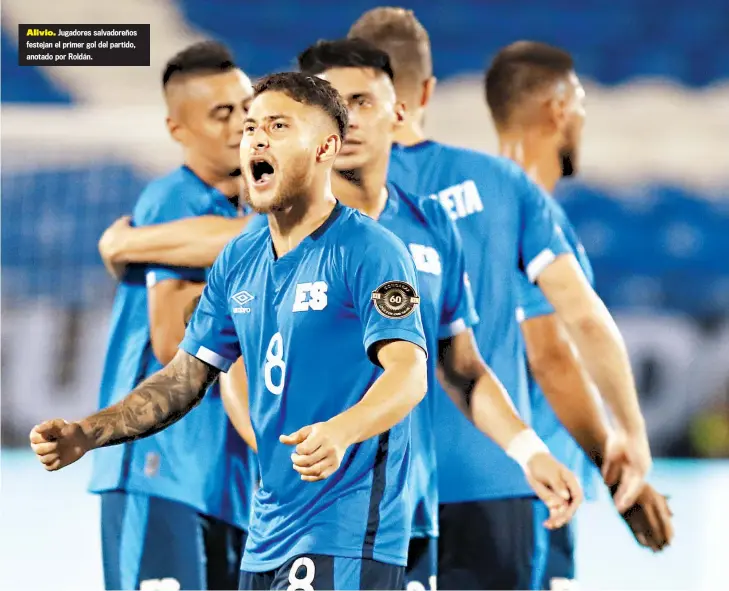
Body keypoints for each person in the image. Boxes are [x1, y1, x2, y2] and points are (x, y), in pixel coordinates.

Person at [31, 71, 430, 591]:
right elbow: (182, 379)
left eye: (279, 125)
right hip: (265, 535)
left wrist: (342, 431)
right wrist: (90, 433)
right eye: (250, 127)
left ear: (326, 147)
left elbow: (409, 370)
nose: (257, 139)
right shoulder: (239, 259)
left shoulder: (369, 250)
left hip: (345, 530)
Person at [348, 7, 656, 590]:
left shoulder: (328, 203)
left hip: (373, 492)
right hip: (497, 480)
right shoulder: (503, 185)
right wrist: (629, 436)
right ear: (428, 90)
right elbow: (581, 322)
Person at [294, 38, 582, 590]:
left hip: (409, 514)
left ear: (397, 112)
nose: (347, 120)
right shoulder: (275, 232)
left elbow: (462, 369)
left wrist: (530, 452)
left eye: (362, 102)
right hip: (310, 518)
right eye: (330, 103)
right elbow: (227, 363)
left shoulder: (430, 228)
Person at [51, 41, 259, 591]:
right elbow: (173, 341)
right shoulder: (175, 200)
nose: (243, 123)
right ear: (178, 129)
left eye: (247, 106)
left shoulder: (247, 211)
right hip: (159, 465)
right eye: (222, 113)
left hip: (223, 475)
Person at [485, 41, 674, 587]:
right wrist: (623, 450)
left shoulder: (464, 210)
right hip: (533, 489)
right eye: (583, 108)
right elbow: (553, 353)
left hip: (468, 483)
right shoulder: (529, 210)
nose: (582, 123)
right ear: (559, 110)